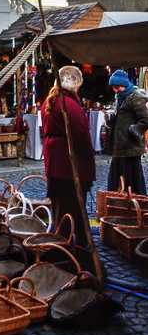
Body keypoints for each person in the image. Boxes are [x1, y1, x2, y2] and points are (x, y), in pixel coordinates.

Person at [41, 66, 96, 247]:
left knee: (60, 202)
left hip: (56, 159)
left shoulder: (51, 100)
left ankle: (62, 235)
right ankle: (70, 240)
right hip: (67, 162)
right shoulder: (68, 104)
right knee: (71, 203)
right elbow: (82, 136)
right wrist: (89, 160)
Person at [107, 69, 148, 195]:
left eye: (117, 87)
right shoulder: (121, 97)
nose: (115, 90)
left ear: (124, 85)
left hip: (130, 146)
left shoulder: (135, 97)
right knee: (117, 179)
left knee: (131, 180)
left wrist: (134, 130)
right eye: (113, 87)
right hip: (120, 146)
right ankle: (117, 205)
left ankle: (133, 208)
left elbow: (146, 119)